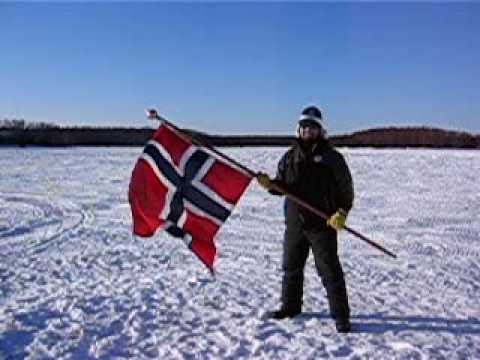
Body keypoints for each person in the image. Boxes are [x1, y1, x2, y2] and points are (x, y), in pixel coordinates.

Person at [257, 105, 354, 333]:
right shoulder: (290, 157)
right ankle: (290, 306)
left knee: (329, 270)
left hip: (322, 224)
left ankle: (341, 316)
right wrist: (270, 184)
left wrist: (342, 211)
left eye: (312, 128)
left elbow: (346, 189)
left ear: (320, 130)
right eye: (304, 128)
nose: (308, 131)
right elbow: (283, 186)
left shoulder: (332, 158)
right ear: (298, 129)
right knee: (291, 267)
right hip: (295, 224)